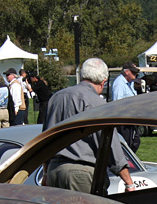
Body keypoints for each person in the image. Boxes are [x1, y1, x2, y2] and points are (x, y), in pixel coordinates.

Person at [44, 58, 135, 194]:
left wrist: (46, 173)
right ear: (103, 82)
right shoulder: (96, 103)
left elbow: (46, 139)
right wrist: (129, 182)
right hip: (80, 173)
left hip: (54, 170)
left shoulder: (56, 98)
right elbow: (110, 145)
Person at [109, 61, 141, 151]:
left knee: (135, 142)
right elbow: (117, 103)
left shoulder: (129, 83)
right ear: (127, 72)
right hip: (123, 121)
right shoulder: (119, 83)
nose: (136, 74)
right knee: (127, 145)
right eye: (133, 72)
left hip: (130, 119)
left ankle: (129, 162)